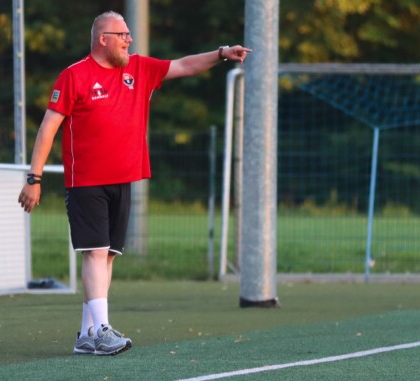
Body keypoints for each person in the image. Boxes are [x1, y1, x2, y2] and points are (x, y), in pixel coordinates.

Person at [18, 10, 251, 356]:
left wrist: (220, 53)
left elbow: (184, 66)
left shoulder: (138, 69)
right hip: (86, 182)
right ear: (103, 39)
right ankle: (102, 330)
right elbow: (48, 128)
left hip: (123, 179)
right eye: (122, 34)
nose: (129, 39)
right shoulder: (74, 76)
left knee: (107, 256)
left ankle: (86, 333)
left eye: (129, 34)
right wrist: (34, 178)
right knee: (95, 252)